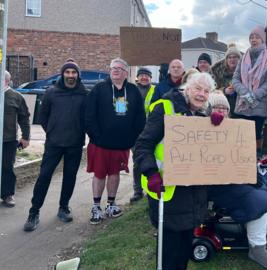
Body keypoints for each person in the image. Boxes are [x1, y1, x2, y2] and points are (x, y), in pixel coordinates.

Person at [133, 72, 216, 270]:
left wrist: (218, 126)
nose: (201, 94)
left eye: (206, 91)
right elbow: (142, 146)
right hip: (167, 191)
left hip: (193, 195)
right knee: (169, 253)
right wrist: (151, 173)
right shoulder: (165, 107)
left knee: (184, 250)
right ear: (187, 88)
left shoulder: (204, 116)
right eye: (197, 88)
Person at [206, 91, 267, 270]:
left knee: (265, 186)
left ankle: (256, 227)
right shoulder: (202, 130)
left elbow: (243, 154)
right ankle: (257, 247)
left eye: (224, 108)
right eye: (216, 107)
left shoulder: (234, 129)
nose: (221, 111)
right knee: (256, 200)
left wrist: (252, 168)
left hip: (236, 178)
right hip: (217, 184)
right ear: (209, 109)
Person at [23, 59, 88, 232]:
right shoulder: (51, 92)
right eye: (67, 72)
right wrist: (51, 131)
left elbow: (87, 118)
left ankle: (63, 207)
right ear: (62, 74)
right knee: (44, 176)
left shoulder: (84, 94)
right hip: (54, 143)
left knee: (70, 177)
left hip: (75, 143)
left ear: (78, 75)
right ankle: (34, 212)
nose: (70, 76)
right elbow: (43, 117)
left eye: (73, 73)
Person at [85, 58, 145, 225]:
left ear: (126, 73)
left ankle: (111, 205)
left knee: (114, 174)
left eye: (119, 68)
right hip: (100, 143)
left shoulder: (133, 90)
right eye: (113, 68)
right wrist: (95, 136)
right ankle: (96, 206)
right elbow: (89, 115)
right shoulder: (99, 89)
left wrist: (133, 137)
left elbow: (140, 116)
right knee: (99, 174)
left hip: (122, 145)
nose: (116, 70)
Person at [232, 26, 267, 158]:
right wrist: (245, 93)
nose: (254, 40)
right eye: (251, 37)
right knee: (241, 137)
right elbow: (235, 79)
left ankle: (255, 165)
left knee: (256, 136)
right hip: (243, 104)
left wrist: (253, 95)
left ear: (262, 39)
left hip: (259, 105)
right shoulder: (243, 58)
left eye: (257, 37)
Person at [2, 71, 30, 208]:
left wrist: (25, 137)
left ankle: (7, 194)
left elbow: (24, 118)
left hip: (8, 139)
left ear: (6, 80)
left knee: (7, 167)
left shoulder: (16, 97)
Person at [130, 67, 155, 203]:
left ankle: (150, 189)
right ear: (137, 77)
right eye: (142, 75)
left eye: (147, 75)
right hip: (135, 133)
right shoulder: (130, 90)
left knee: (152, 161)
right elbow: (122, 109)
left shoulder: (155, 91)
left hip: (151, 132)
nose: (144, 77)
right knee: (137, 162)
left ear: (150, 78)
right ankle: (137, 191)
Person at [211, 44, 242, 118]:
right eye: (229, 57)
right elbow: (213, 90)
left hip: (241, 107)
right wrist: (225, 90)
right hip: (222, 107)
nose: (232, 60)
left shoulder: (244, 72)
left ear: (239, 59)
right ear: (226, 59)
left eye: (235, 57)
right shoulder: (217, 72)